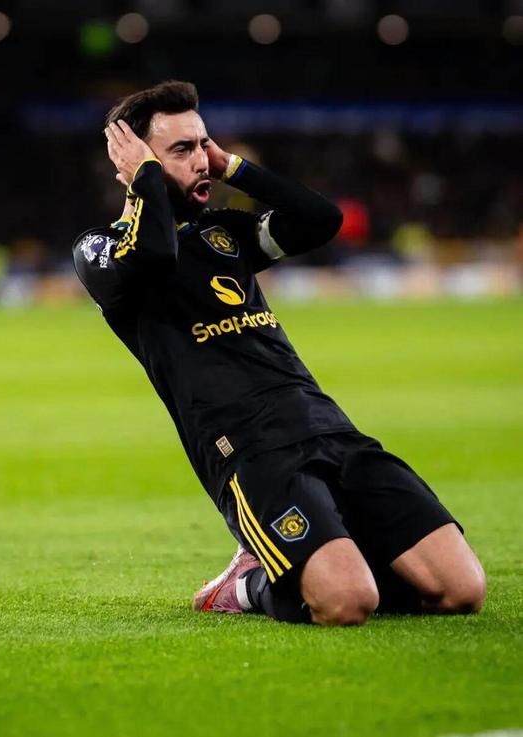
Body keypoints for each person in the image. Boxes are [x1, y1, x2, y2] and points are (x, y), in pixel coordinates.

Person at [72, 81, 486, 625]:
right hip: (251, 450)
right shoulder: (100, 250)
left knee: (461, 591)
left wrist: (233, 168)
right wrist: (146, 177)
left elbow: (321, 220)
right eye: (182, 149)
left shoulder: (225, 233)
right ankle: (245, 586)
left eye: (203, 144)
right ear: (132, 160)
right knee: (347, 604)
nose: (200, 160)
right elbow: (153, 253)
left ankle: (337, 560)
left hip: (327, 425)